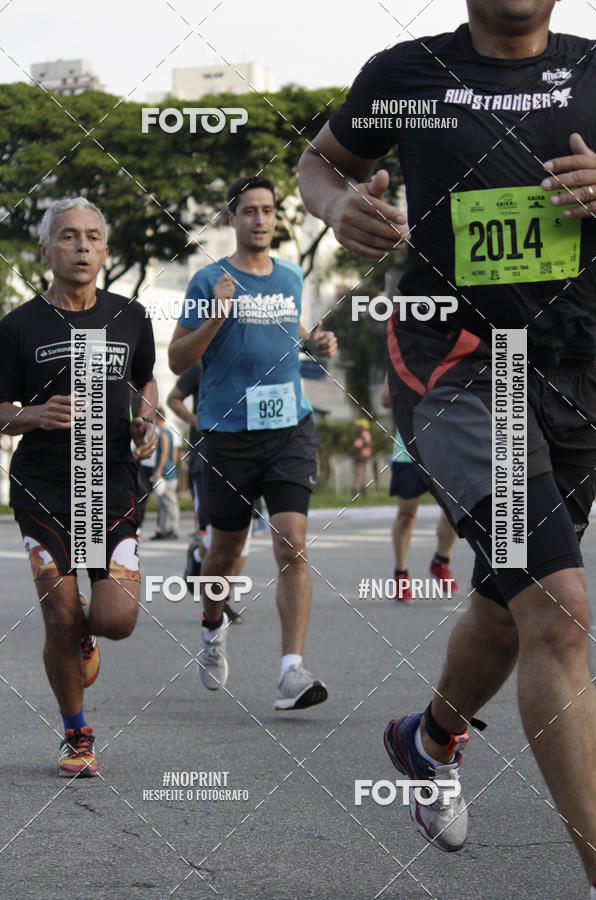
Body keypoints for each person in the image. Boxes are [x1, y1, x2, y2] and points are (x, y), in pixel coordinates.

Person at [298, 2, 596, 895]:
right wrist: (339, 204)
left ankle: (427, 740)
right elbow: (322, 161)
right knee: (559, 606)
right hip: (465, 367)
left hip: (578, 368)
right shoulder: (408, 73)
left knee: (513, 606)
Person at [0, 197, 157, 777]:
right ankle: (77, 736)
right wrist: (36, 415)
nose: (82, 246)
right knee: (60, 617)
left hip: (110, 485)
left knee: (115, 620)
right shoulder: (18, 326)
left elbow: (146, 381)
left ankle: (85, 644)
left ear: (107, 250)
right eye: (68, 237)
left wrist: (149, 422)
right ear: (46, 251)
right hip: (43, 487)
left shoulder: (130, 317)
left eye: (93, 236)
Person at [169, 175, 337, 710]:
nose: (260, 219)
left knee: (292, 543)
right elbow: (177, 360)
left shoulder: (290, 275)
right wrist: (218, 313)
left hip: (290, 427)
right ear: (233, 218)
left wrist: (316, 340)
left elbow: (290, 329)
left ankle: (292, 671)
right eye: (249, 211)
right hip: (227, 433)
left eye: (268, 210)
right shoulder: (207, 281)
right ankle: (212, 630)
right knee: (224, 552)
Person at [167, 363, 245, 623]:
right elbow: (173, 399)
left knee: (242, 546)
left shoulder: (244, 359)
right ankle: (199, 557)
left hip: (246, 458)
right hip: (207, 458)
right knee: (213, 539)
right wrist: (197, 420)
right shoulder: (200, 365)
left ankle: (223, 601)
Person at [381, 377, 458, 602]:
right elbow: (385, 398)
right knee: (406, 515)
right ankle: (401, 575)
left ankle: (440, 561)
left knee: (455, 512)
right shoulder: (401, 354)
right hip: (409, 449)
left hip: (445, 447)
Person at [150, 407, 179, 539]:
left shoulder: (163, 433)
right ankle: (163, 529)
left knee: (169, 503)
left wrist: (159, 471)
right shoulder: (168, 432)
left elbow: (165, 453)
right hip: (169, 471)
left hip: (166, 474)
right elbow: (173, 454)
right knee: (163, 503)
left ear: (156, 418)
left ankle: (172, 529)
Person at [351, 418, 372, 494]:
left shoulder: (362, 435)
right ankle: (363, 491)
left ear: (362, 427)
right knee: (362, 474)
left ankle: (356, 491)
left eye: (358, 426)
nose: (356, 427)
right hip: (364, 457)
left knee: (358, 474)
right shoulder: (367, 434)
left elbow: (357, 446)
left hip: (360, 457)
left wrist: (352, 451)